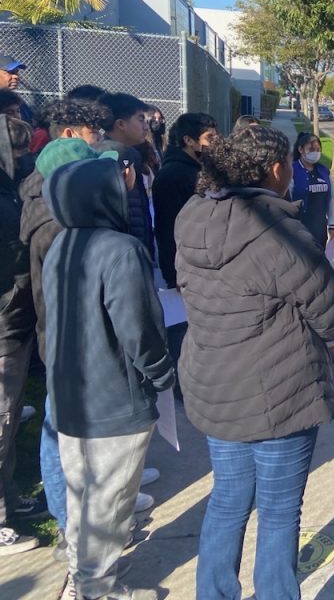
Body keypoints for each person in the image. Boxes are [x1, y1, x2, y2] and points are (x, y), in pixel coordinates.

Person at [174, 126, 334, 600]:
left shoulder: (192, 215)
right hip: (280, 391)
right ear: (276, 169)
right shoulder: (277, 231)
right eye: (292, 161)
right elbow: (332, 315)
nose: (296, 166)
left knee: (228, 499)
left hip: (214, 385)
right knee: (278, 510)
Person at [43, 149, 174, 600]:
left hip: (71, 393)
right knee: (110, 502)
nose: (131, 185)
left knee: (84, 494)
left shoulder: (63, 243)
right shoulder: (121, 251)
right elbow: (139, 329)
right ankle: (96, 589)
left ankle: (84, 574)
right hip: (115, 399)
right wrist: (162, 374)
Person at [18, 101, 108, 553]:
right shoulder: (58, 223)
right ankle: (71, 523)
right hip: (67, 337)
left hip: (66, 335)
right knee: (63, 429)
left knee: (72, 425)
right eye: (96, 132)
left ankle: (82, 515)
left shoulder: (46, 198)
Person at [0, 115, 39, 556]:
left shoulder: (11, 191)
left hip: (14, 322)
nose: (22, 160)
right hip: (5, 322)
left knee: (9, 419)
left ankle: (9, 498)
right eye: (15, 152)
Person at [152, 113, 219, 290]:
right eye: (209, 137)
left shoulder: (202, 169)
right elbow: (166, 230)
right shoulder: (171, 175)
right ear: (189, 140)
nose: (215, 142)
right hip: (186, 272)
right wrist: (173, 275)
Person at [99, 93, 155, 258]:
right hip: (122, 257)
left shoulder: (130, 155)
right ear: (121, 124)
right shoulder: (111, 158)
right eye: (140, 119)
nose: (146, 127)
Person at [290, 132, 334, 248]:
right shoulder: (292, 170)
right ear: (301, 149)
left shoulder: (324, 171)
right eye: (311, 149)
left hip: (319, 226)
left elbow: (330, 199)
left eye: (317, 149)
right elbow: (287, 198)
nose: (315, 152)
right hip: (298, 226)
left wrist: (332, 224)